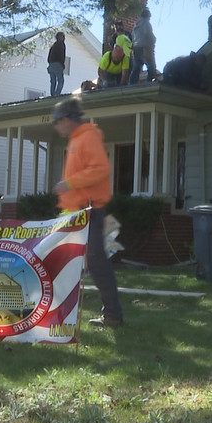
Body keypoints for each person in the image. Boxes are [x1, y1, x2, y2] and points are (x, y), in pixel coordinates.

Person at [51, 97, 123, 327]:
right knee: (62, 258)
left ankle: (112, 315)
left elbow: (101, 169)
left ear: (66, 120)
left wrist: (69, 183)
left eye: (56, 122)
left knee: (96, 263)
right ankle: (55, 310)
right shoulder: (76, 139)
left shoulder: (88, 137)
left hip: (89, 211)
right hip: (75, 212)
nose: (55, 127)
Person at [129, 8, 160, 84]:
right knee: (151, 66)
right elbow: (148, 33)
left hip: (136, 48)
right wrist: (154, 40)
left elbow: (133, 37)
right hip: (145, 47)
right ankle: (149, 82)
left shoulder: (136, 26)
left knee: (137, 67)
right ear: (147, 16)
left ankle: (132, 83)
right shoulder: (146, 23)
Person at [46, 31, 67, 96]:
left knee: (53, 81)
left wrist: (50, 63)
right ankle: (57, 94)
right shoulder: (61, 44)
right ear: (59, 37)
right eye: (63, 36)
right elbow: (61, 54)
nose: (64, 38)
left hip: (51, 65)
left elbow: (49, 57)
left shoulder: (53, 45)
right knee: (61, 81)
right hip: (57, 64)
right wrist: (62, 63)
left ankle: (52, 94)